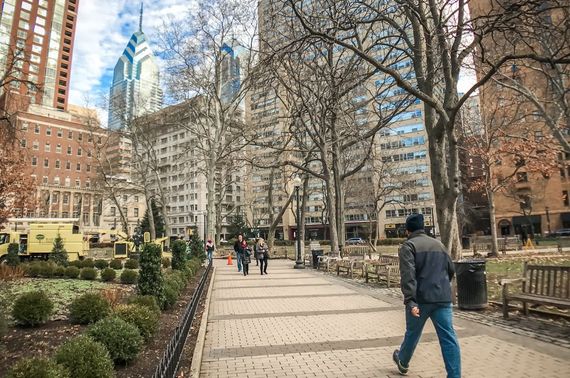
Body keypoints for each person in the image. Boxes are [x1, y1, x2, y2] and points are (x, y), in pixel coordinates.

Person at [393, 213, 460, 378]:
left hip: (420, 300)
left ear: (408, 230)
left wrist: (411, 301)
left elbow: (408, 276)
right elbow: (450, 270)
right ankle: (454, 375)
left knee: (412, 333)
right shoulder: (439, 245)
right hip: (442, 298)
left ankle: (402, 361)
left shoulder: (408, 246)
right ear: (423, 228)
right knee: (448, 338)